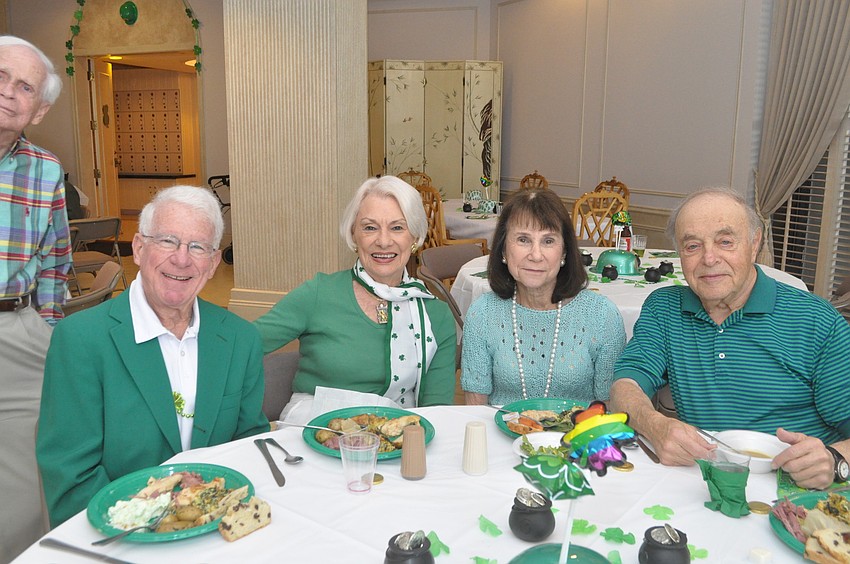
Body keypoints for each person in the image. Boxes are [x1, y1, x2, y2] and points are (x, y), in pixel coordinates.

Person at [37, 185, 269, 527]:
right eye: (167, 241)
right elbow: (70, 475)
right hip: (120, 533)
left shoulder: (239, 338)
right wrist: (151, 526)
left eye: (197, 247)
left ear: (213, 263)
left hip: (214, 527)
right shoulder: (81, 340)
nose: (181, 258)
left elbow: (249, 443)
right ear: (139, 248)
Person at [609, 186, 850, 490]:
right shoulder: (664, 309)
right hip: (708, 486)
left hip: (799, 492)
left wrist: (834, 460)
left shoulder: (815, 320)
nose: (710, 258)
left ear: (754, 243)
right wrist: (654, 424)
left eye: (725, 242)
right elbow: (625, 385)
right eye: (693, 246)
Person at [253, 176, 456, 418]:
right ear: (354, 234)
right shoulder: (319, 294)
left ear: (414, 238)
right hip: (311, 432)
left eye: (397, 227)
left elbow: (436, 412)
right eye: (370, 227)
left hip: (391, 441)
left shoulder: (436, 316)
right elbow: (241, 346)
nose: (383, 241)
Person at [0, 35, 70, 560]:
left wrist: (43, 324)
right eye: (0, 76)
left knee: (25, 490)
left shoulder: (45, 169)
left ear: (39, 109)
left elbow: (55, 256)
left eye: (23, 86)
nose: (8, 93)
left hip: (18, 331)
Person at [461, 188, 626, 405]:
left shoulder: (602, 316)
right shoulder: (482, 313)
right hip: (499, 436)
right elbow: (475, 412)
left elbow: (610, 409)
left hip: (579, 437)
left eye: (548, 241)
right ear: (502, 250)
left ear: (564, 252)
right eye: (523, 239)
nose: (536, 255)